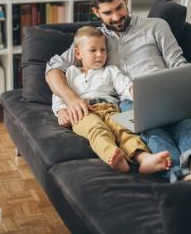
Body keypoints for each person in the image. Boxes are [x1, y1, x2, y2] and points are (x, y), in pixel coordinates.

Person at [46, 0, 191, 182]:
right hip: (131, 101)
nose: (116, 17)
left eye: (119, 7)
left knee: (187, 125)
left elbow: (178, 63)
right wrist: (71, 99)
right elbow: (53, 69)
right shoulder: (95, 40)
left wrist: (184, 89)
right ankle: (183, 175)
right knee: (152, 134)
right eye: (107, 13)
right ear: (96, 12)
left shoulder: (156, 26)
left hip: (169, 91)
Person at [52, 26, 171, 174]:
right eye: (93, 50)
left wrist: (138, 94)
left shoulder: (111, 71)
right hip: (83, 112)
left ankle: (144, 158)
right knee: (96, 129)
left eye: (103, 50)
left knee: (124, 130)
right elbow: (59, 95)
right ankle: (112, 155)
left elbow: (125, 86)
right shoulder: (70, 73)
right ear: (78, 53)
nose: (99, 55)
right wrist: (61, 111)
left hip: (110, 108)